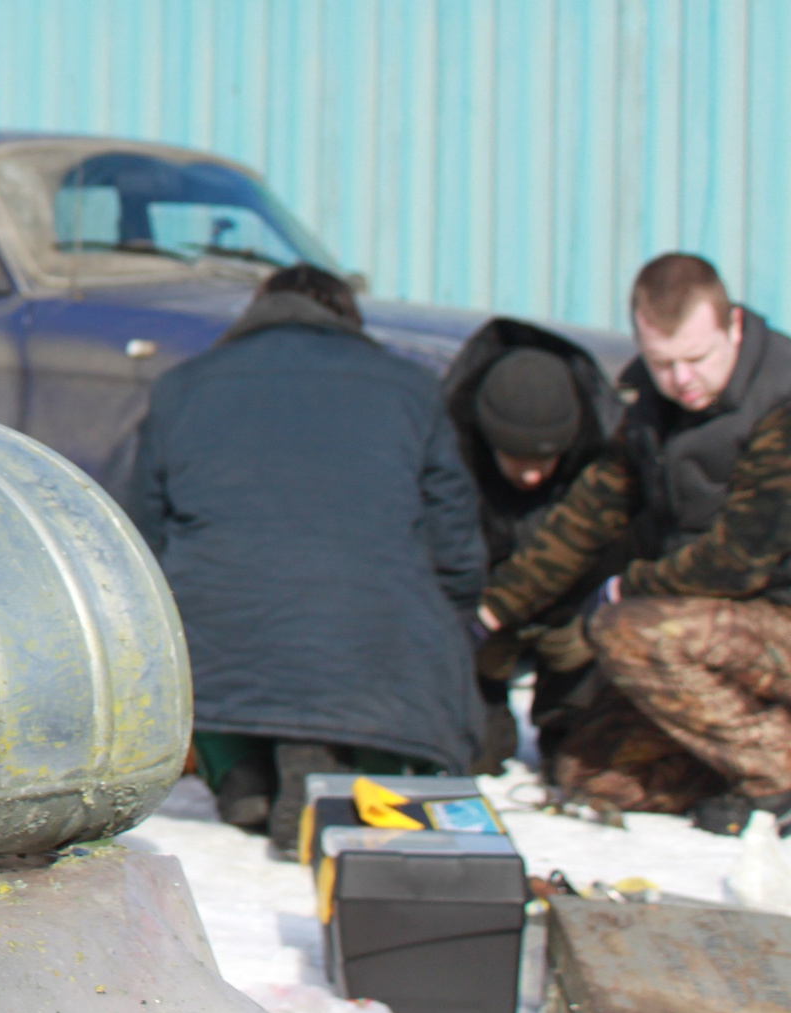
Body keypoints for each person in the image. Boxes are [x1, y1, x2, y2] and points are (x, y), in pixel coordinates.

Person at [127, 265, 484, 854]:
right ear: (348, 317)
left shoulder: (182, 386)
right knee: (366, 664)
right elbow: (456, 546)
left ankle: (241, 768)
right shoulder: (410, 386)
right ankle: (328, 764)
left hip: (224, 636)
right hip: (371, 639)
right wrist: (449, 627)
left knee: (220, 634)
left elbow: (142, 537)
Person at [479, 254, 791, 830]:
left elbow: (737, 562)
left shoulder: (782, 401)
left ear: (733, 327)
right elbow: (592, 510)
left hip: (773, 615)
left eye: (696, 359)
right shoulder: (652, 407)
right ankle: (743, 764)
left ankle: (777, 773)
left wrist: (628, 587)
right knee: (590, 773)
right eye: (663, 363)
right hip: (717, 630)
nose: (681, 379)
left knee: (626, 627)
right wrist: (496, 607)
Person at [439, 321, 629, 772]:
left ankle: (564, 715)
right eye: (516, 459)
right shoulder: (449, 443)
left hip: (573, 611)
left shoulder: (606, 444)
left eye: (545, 460)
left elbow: (609, 542)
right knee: (477, 755)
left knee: (577, 761)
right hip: (483, 615)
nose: (531, 475)